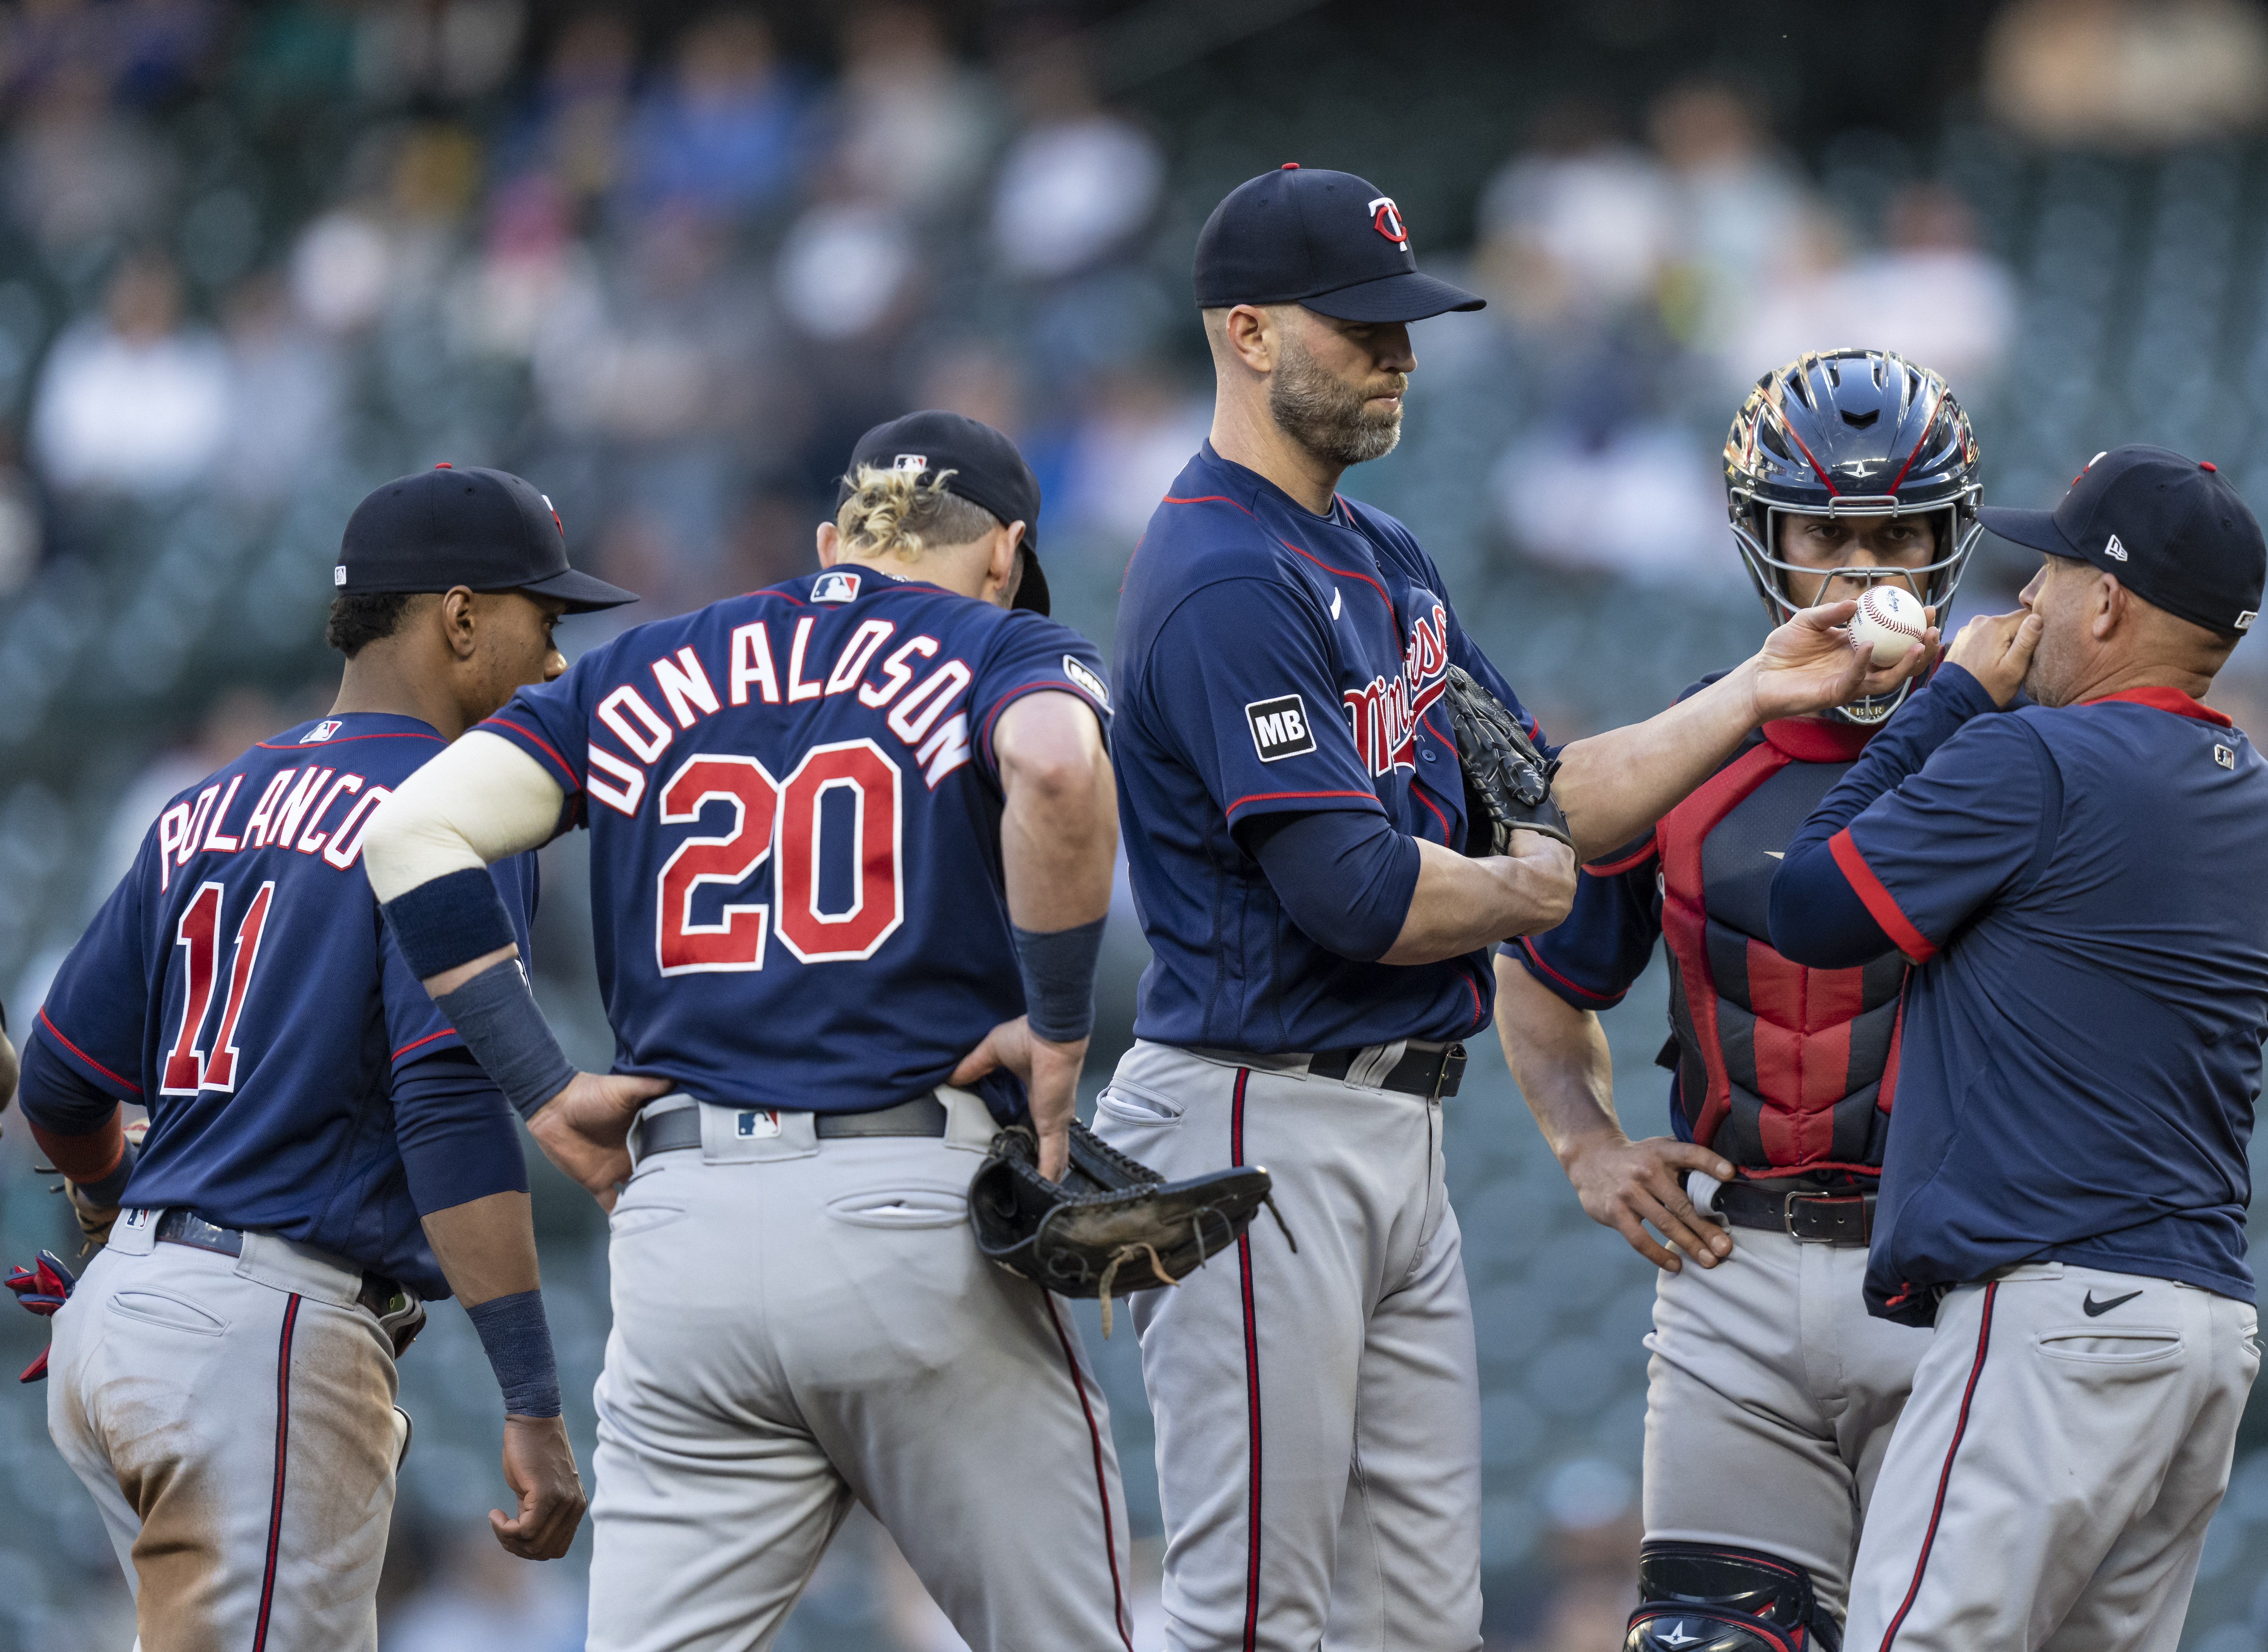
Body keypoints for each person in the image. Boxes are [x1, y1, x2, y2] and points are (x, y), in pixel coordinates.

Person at [1095, 166, 1934, 1652]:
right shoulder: (1220, 573)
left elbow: (1549, 785)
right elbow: (1358, 894)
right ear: (1244, 333)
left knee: (1423, 1614)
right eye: (1358, 326)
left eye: (1404, 322)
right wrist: (1527, 885)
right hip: (1254, 1111)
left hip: (1388, 1122)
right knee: (1252, 1614)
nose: (1398, 353)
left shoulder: (1380, 551)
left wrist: (1754, 692)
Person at [361, 412, 1140, 1650]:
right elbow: (1053, 761)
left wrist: (545, 1088)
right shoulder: (1002, 642)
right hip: (913, 1211)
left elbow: (408, 835)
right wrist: (1056, 1029)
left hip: (686, 1242)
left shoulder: (639, 665)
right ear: (1003, 552)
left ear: (834, 540)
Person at [12, 462, 640, 1651]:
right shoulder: (456, 800)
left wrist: (109, 1211)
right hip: (260, 1337)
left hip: (125, 1332)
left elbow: (57, 1081)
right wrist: (529, 1397)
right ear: (460, 617)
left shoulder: (206, 799)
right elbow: (448, 1108)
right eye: (541, 620)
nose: (557, 662)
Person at [1764, 447, 2268, 1651]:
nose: (2023, 597)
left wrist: (1948, 705)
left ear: (2109, 602)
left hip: (2053, 1314)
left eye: (2052, 570)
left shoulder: (2031, 758)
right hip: (2202, 1331)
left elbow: (1809, 905)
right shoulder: (2260, 793)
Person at [1494, 349, 1980, 1652]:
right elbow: (1538, 980)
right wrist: (1586, 1145)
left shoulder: (2022, 754)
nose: (1865, 568)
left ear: (1948, 540)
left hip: (1960, 1283)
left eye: (1899, 533)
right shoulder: (1678, 761)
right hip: (1735, 1268)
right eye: (1828, 530)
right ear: (1768, 539)